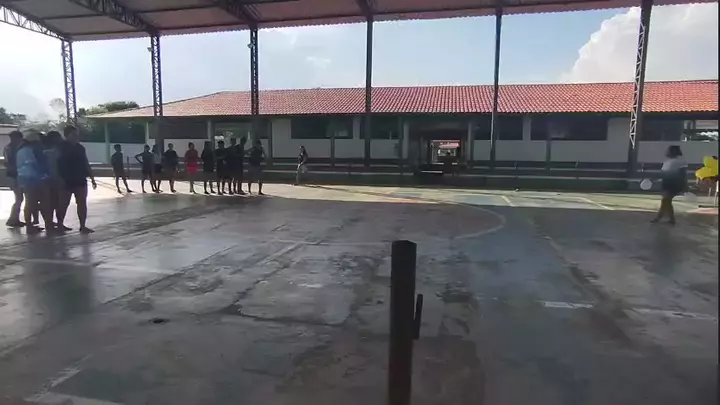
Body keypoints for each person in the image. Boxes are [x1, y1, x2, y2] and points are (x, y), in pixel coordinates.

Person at [57, 125, 97, 233]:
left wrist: (92, 178)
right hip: (66, 179)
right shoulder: (60, 147)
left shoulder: (80, 148)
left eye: (76, 135)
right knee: (63, 204)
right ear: (67, 135)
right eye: (73, 134)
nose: (76, 137)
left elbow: (86, 163)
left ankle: (82, 225)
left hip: (80, 178)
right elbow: (55, 163)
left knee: (82, 203)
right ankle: (60, 224)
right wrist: (59, 178)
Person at [15, 130, 53, 234]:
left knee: (29, 203)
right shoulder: (35, 150)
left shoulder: (20, 151)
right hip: (37, 179)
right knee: (45, 202)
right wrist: (47, 176)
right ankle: (48, 224)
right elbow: (41, 165)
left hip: (24, 179)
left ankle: (29, 225)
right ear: (35, 142)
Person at [652, 145, 688, 225]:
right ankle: (671, 219)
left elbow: (683, 173)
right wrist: (654, 179)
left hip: (674, 183)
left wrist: (685, 185)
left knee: (665, 200)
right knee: (667, 201)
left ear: (672, 152)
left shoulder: (679, 161)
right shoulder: (667, 162)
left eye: (668, 150)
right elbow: (663, 173)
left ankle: (659, 218)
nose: (666, 152)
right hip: (666, 183)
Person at [4, 130, 25, 228]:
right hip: (14, 175)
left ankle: (14, 218)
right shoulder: (10, 148)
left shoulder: (9, 147)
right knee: (19, 198)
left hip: (13, 175)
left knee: (19, 198)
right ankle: (13, 219)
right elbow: (9, 162)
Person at [44, 131, 65, 227]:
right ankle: (56, 222)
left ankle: (50, 222)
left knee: (51, 202)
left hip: (48, 179)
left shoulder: (44, 151)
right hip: (56, 179)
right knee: (57, 202)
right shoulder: (56, 151)